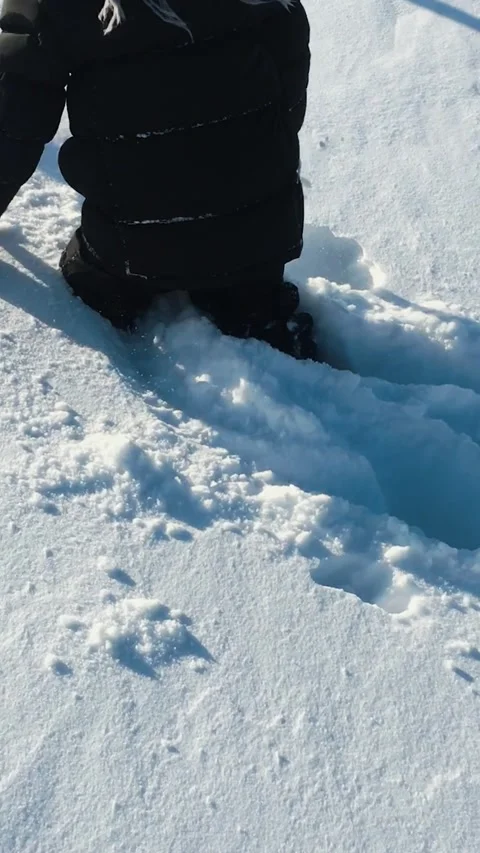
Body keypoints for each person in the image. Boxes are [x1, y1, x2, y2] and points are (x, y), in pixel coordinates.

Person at [0, 0, 317, 359]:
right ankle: (260, 314)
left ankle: (120, 307)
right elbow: (289, 59)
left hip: (133, 242)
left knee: (92, 279)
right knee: (251, 285)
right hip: (263, 231)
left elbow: (15, 125)